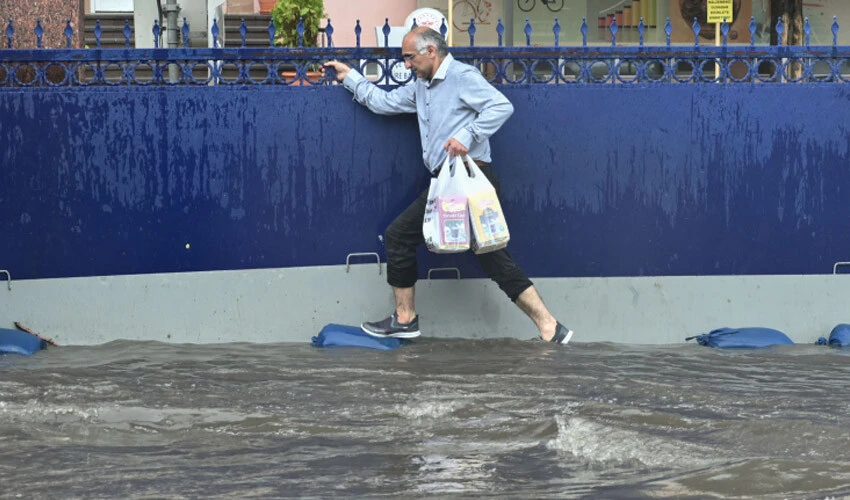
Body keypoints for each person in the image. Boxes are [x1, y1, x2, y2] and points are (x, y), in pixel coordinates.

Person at [323, 27, 573, 344]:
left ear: (431, 51)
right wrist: (349, 77)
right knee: (493, 259)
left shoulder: (461, 76)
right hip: (449, 184)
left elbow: (501, 106)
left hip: (468, 181)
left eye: (410, 58)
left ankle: (405, 319)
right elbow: (383, 102)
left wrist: (466, 137)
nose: (407, 65)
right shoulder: (421, 87)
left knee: (401, 237)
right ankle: (551, 328)